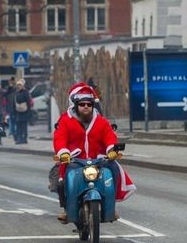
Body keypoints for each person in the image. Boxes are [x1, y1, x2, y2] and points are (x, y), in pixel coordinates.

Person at [51, 83, 134, 222]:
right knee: (62, 181)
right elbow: (59, 138)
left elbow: (110, 137)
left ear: (92, 105)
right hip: (75, 161)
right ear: (76, 105)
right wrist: (63, 153)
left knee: (113, 169)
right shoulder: (66, 121)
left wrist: (112, 150)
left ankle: (110, 207)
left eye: (89, 104)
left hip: (99, 160)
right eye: (82, 104)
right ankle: (66, 209)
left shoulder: (101, 122)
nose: (85, 107)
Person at [11, 79, 34, 144]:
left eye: (20, 85)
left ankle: (24, 139)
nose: (19, 86)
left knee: (24, 126)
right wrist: (13, 112)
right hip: (18, 112)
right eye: (18, 85)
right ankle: (19, 138)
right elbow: (14, 102)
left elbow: (28, 102)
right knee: (18, 126)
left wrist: (29, 112)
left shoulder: (25, 92)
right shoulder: (16, 93)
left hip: (25, 111)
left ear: (22, 85)